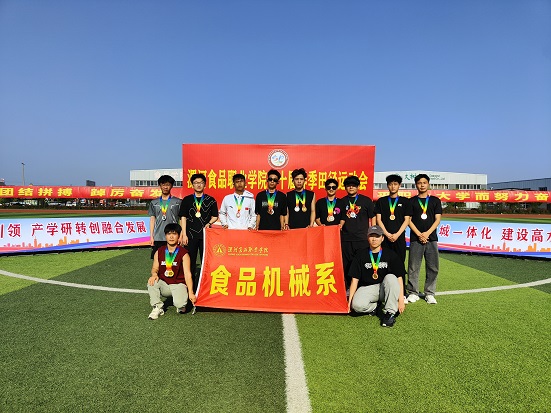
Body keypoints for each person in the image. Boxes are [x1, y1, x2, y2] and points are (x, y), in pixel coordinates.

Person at [348, 225, 406, 327]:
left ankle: (390, 313)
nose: (374, 239)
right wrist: (350, 302)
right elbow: (354, 280)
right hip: (368, 288)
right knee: (357, 306)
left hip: (385, 288)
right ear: (367, 238)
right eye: (371, 236)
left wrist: (401, 300)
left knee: (391, 277)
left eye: (377, 236)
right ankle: (375, 307)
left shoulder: (391, 254)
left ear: (382, 238)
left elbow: (399, 278)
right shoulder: (360, 255)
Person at [178, 173, 218, 291]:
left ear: (205, 184)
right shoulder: (187, 200)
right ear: (192, 185)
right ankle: (191, 289)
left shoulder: (210, 200)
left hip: (206, 236)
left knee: (206, 262)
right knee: (190, 263)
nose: (198, 185)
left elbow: (215, 216)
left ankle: (204, 289)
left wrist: (209, 223)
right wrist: (184, 234)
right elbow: (183, 217)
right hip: (190, 236)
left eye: (201, 182)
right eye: (196, 183)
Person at [147, 223, 196, 320]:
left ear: (179, 236)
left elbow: (187, 274)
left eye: (174, 234)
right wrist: (154, 274)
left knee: (180, 305)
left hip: (179, 284)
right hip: (165, 284)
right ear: (165, 236)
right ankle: (157, 307)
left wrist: (191, 292)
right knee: (151, 282)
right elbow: (155, 268)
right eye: (169, 234)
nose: (171, 237)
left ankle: (181, 302)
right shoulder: (159, 251)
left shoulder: (184, 253)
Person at [406, 173, 442, 305]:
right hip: (415, 239)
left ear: (428, 184)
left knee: (433, 267)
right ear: (416, 185)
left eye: (424, 183)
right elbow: (408, 220)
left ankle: (430, 293)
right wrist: (419, 234)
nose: (422, 185)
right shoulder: (411, 201)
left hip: (431, 238)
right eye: (419, 183)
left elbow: (437, 219)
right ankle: (413, 292)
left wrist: (426, 234)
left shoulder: (435, 201)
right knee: (413, 266)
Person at [375, 174, 412, 297]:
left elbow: (407, 220)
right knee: (383, 264)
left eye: (395, 184)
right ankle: (383, 292)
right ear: (387, 186)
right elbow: (379, 220)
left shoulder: (405, 201)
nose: (393, 186)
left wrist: (397, 234)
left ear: (399, 185)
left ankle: (402, 293)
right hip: (385, 239)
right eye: (390, 184)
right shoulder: (381, 201)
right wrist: (386, 234)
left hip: (399, 238)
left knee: (399, 264)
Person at [339, 175, 375, 287]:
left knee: (362, 263)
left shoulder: (366, 201)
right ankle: (348, 287)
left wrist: (373, 233)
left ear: (358, 186)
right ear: (345, 187)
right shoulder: (341, 202)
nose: (351, 187)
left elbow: (373, 217)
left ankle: (363, 286)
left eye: (353, 185)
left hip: (362, 239)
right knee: (346, 264)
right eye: (348, 185)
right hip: (346, 239)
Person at [148, 175, 182, 259]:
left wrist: (181, 235)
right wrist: (151, 236)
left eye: (168, 185)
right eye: (163, 185)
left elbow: (181, 219)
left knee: (173, 260)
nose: (165, 187)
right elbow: (152, 219)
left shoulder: (178, 202)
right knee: (158, 259)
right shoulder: (154, 203)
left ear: (172, 186)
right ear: (160, 186)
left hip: (173, 236)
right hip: (158, 236)